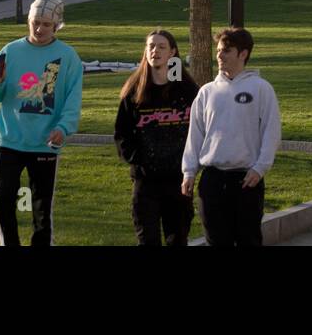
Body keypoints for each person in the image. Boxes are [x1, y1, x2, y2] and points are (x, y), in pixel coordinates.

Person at [0, 0, 83, 246]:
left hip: (44, 143)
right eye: (35, 22)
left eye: (46, 24)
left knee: (41, 205)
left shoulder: (67, 57)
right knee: (3, 197)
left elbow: (73, 99)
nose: (39, 29)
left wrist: (63, 128)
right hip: (9, 141)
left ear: (57, 25)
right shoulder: (10, 51)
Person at [181, 27, 280, 247]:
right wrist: (189, 171)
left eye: (226, 50)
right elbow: (195, 134)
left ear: (243, 54)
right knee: (216, 241)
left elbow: (271, 131)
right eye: (218, 50)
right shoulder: (206, 92)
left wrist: (260, 168)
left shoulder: (261, 89)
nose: (219, 55)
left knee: (249, 240)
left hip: (247, 181)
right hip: (212, 181)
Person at [114, 29, 199, 246]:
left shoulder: (187, 90)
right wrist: (137, 160)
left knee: (177, 239)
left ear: (173, 52)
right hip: (146, 181)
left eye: (161, 47)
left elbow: (201, 129)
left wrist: (191, 163)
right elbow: (122, 134)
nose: (155, 51)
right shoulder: (134, 90)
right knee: (147, 240)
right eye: (151, 46)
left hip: (178, 180)